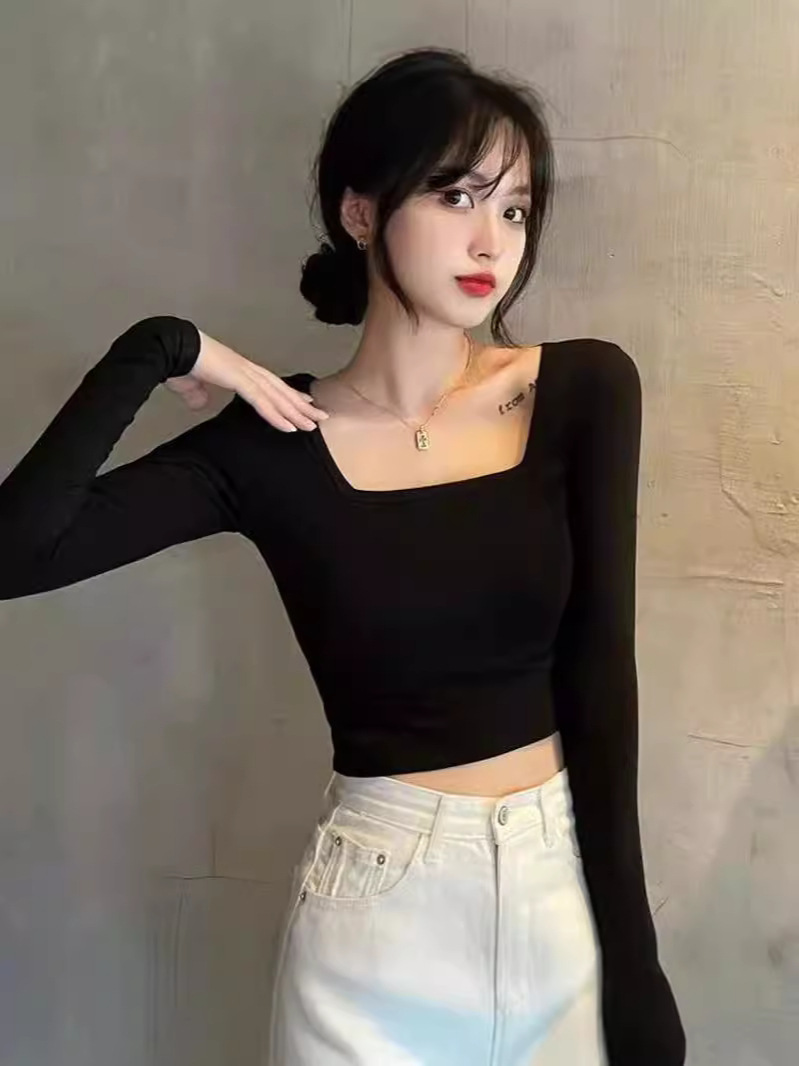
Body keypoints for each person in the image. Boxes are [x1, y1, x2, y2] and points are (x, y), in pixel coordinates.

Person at [0, 47, 685, 1066]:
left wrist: (632, 959)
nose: (490, 240)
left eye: (514, 209)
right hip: (374, 927)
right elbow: (19, 552)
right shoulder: (272, 440)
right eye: (456, 196)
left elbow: (600, 680)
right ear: (360, 213)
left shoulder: (582, 391)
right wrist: (160, 347)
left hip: (556, 903)